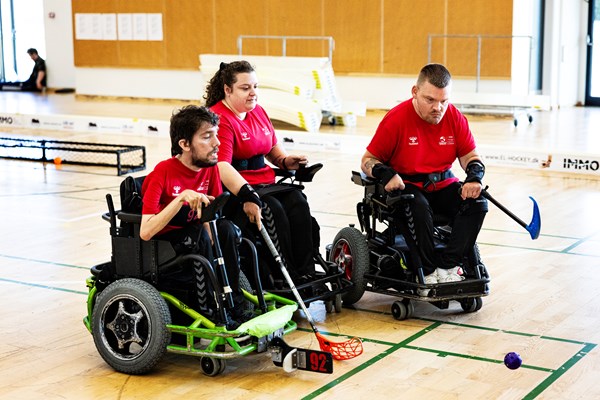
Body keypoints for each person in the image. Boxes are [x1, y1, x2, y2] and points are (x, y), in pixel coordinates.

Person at [360, 63, 488, 296]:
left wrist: (474, 177)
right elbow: (368, 160)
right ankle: (427, 271)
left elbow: (471, 156)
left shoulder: (455, 117)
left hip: (442, 185)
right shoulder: (396, 119)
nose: (438, 108)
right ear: (415, 92)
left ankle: (448, 266)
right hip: (406, 186)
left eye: (443, 101)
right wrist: (385, 174)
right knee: (416, 206)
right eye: (430, 100)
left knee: (477, 203)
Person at [204, 60, 318, 280]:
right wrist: (247, 193)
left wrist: (285, 161)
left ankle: (306, 273)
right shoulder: (219, 119)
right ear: (228, 90)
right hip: (239, 190)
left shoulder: (258, 112)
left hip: (266, 183)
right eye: (245, 88)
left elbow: (272, 150)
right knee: (274, 210)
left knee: (298, 201)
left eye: (255, 86)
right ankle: (286, 276)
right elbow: (221, 166)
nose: (253, 93)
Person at [139, 104, 249, 328]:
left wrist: (215, 243)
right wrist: (180, 199)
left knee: (226, 229)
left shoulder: (210, 168)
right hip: (164, 245)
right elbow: (145, 231)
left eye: (216, 135)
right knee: (198, 235)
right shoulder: (162, 173)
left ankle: (234, 301)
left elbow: (210, 217)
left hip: (194, 235)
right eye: (207, 137)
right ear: (185, 144)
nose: (217, 143)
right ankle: (209, 310)